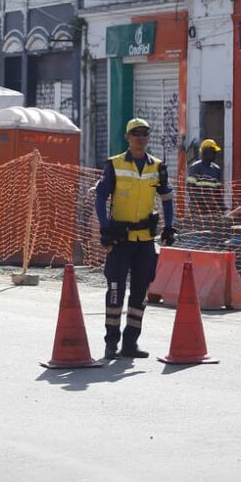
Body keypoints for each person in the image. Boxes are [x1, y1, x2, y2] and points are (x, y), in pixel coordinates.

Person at [94, 117, 177, 360]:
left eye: (145, 133)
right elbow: (100, 197)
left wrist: (169, 226)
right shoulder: (115, 164)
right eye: (136, 133)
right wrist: (105, 228)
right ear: (128, 137)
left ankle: (131, 343)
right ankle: (111, 343)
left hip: (145, 242)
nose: (141, 137)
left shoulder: (157, 167)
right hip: (120, 240)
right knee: (115, 290)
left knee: (140, 292)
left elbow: (167, 197)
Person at [186, 138, 224, 222]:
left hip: (212, 209)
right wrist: (200, 202)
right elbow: (190, 188)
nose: (215, 154)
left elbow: (219, 191)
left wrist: (221, 207)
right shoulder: (195, 167)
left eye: (215, 152)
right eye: (212, 151)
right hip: (198, 210)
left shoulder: (216, 169)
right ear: (205, 152)